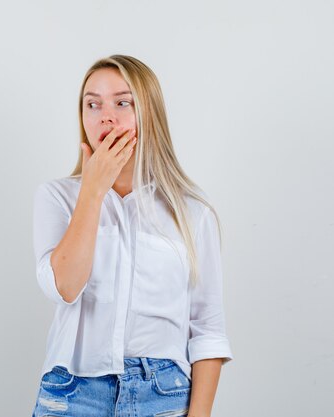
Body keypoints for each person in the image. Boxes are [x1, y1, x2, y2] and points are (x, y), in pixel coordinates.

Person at [30, 55, 234, 417]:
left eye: (122, 103)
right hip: (73, 394)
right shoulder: (57, 197)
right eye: (92, 104)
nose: (105, 116)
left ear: (149, 114)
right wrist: (93, 190)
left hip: (165, 394)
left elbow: (207, 329)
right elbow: (64, 286)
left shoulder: (193, 213)